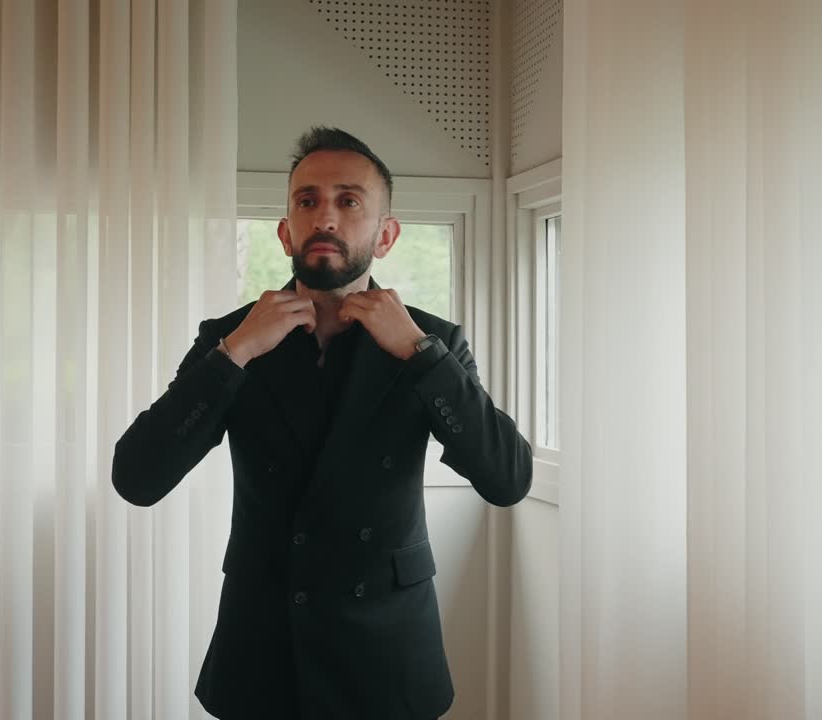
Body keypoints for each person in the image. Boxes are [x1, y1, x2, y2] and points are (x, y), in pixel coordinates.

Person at [112, 127, 533, 720]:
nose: (326, 217)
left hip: (389, 654)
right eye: (307, 201)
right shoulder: (232, 337)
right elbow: (137, 477)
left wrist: (420, 354)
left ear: (385, 236)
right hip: (263, 652)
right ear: (286, 231)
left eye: (349, 201)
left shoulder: (432, 342)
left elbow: (508, 478)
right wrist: (234, 354)